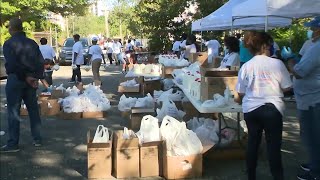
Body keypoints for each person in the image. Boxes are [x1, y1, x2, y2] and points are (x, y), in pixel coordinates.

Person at [236, 31, 292, 180]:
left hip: (251, 109)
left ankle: (251, 175)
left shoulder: (246, 66)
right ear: (264, 46)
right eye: (269, 45)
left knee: (253, 142)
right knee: (273, 146)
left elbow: (240, 92)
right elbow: (287, 87)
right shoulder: (277, 63)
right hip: (272, 108)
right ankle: (277, 176)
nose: (270, 48)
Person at [282, 16, 320, 180]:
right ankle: (315, 162)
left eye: (313, 28)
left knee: (313, 135)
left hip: (313, 99)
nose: (311, 31)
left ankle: (316, 172)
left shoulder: (318, 48)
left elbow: (299, 72)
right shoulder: (313, 46)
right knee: (310, 134)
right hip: (309, 98)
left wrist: (289, 60)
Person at [1, 17, 44, 152]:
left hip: (16, 80)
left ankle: (13, 143)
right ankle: (37, 139)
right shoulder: (32, 43)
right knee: (33, 110)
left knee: (14, 111)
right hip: (31, 80)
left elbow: (12, 65)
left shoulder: (8, 44)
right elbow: (40, 62)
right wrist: (35, 77)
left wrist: (25, 77)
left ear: (11, 29)